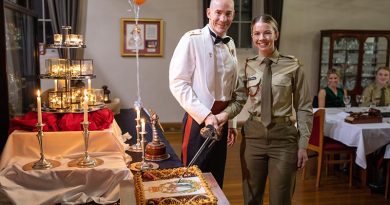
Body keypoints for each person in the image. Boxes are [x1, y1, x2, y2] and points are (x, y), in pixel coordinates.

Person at [216, 15, 313, 205]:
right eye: (257, 33)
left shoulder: (293, 65)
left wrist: (303, 145)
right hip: (254, 137)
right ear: (252, 36)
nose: (262, 38)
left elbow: (303, 107)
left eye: (267, 32)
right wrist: (225, 118)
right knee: (251, 197)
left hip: (284, 138)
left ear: (276, 34)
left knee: (281, 198)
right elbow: (238, 100)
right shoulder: (246, 67)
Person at [169, 0, 238, 188]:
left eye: (228, 13)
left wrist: (231, 123)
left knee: (216, 178)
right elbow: (178, 83)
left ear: (234, 14)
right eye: (218, 12)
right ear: (208, 12)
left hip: (222, 121)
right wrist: (206, 115)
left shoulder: (230, 43)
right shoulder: (191, 39)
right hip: (199, 119)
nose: (223, 19)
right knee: (193, 178)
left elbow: (230, 88)